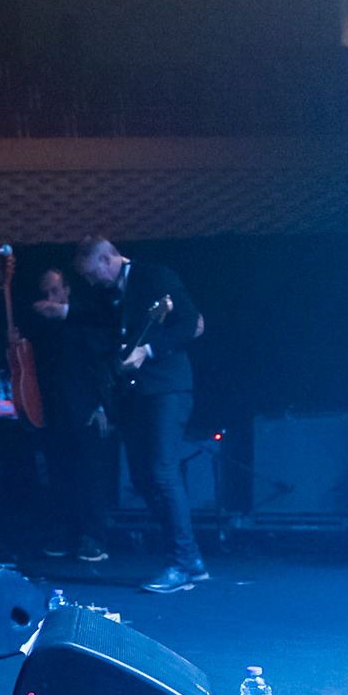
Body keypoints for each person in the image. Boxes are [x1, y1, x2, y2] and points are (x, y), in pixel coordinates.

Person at [68, 235, 205, 594]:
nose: (90, 281)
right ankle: (190, 560)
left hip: (167, 389)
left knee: (162, 470)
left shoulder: (154, 276)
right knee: (143, 478)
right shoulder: (112, 293)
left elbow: (191, 322)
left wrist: (148, 349)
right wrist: (63, 311)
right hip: (135, 394)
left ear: (105, 260)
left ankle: (180, 563)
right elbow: (101, 322)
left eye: (91, 273)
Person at [18, 267, 112, 562]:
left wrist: (101, 406)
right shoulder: (40, 325)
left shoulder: (82, 319)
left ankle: (94, 537)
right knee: (59, 471)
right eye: (45, 294)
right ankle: (67, 532)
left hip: (84, 407)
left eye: (54, 292)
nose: (49, 299)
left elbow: (101, 363)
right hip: (52, 408)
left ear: (67, 290)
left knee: (88, 473)